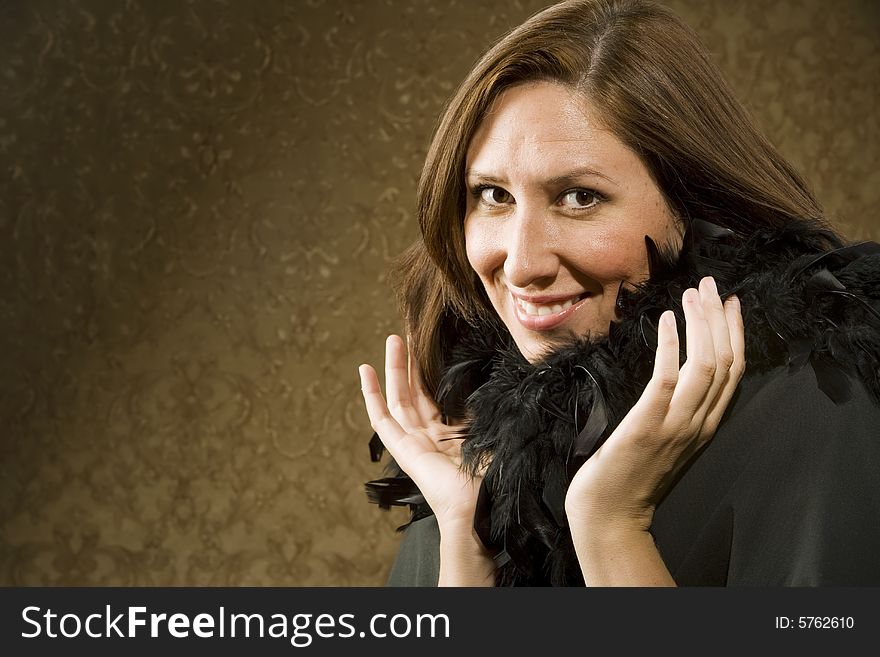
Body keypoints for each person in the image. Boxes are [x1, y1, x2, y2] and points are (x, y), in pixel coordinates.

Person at [358, 0, 880, 586]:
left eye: (579, 197)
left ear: (689, 200)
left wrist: (611, 524)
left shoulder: (813, 400)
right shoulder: (474, 435)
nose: (522, 263)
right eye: (493, 195)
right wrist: (462, 537)